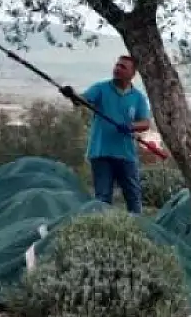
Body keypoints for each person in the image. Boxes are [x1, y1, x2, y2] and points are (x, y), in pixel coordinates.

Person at [62, 55, 153, 214]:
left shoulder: (138, 98)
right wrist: (71, 95)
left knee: (133, 197)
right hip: (101, 152)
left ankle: (138, 229)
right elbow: (82, 100)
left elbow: (145, 123)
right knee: (102, 198)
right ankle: (104, 230)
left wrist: (130, 126)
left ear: (132, 74)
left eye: (123, 67)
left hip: (126, 154)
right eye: (117, 65)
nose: (117, 68)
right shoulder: (100, 88)